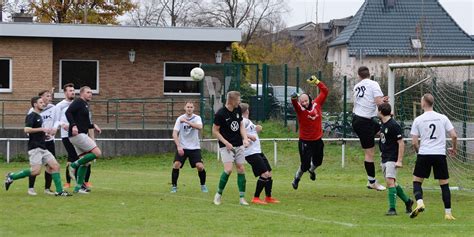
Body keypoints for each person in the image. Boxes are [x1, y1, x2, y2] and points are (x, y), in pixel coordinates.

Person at [4, 96, 71, 197]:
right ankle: (12, 176)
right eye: (41, 102)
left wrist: (45, 135)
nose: (43, 104)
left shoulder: (39, 116)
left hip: (43, 147)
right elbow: (26, 130)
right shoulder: (32, 115)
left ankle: (59, 191)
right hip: (35, 148)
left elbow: (37, 131)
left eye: (43, 103)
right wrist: (42, 129)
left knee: (55, 166)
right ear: (35, 104)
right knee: (36, 171)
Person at [409, 93, 457, 220]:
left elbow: (414, 142)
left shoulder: (418, 119)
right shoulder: (442, 118)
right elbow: (454, 135)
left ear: (424, 103)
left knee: (416, 181)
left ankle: (420, 203)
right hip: (439, 154)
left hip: (424, 153)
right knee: (444, 185)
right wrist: (454, 148)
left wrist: (418, 151)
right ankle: (448, 213)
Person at [351, 66, 388, 191]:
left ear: (359, 75)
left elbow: (366, 101)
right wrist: (386, 107)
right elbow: (378, 103)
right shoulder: (374, 84)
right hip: (364, 121)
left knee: (383, 133)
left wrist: (381, 100)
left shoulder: (356, 86)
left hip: (361, 119)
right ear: (369, 74)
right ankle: (371, 181)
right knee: (369, 153)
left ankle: (385, 156)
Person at [290, 75, 328, 190]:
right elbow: (294, 103)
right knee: (304, 165)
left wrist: (317, 82)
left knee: (318, 162)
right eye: (302, 102)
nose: (304, 103)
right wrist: (293, 98)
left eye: (306, 101)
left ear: (310, 99)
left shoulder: (317, 104)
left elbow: (325, 91)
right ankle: (296, 178)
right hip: (305, 141)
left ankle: (312, 170)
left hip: (317, 140)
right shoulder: (300, 110)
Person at [212, 91, 249, 206]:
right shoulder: (220, 114)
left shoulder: (238, 110)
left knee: (241, 169)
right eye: (238, 100)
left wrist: (245, 138)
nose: (239, 102)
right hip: (226, 146)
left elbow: (241, 125)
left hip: (238, 144)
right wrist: (226, 142)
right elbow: (215, 131)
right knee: (228, 170)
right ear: (232, 101)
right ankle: (218, 195)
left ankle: (242, 198)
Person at [377, 103, 414, 216]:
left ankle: (392, 209)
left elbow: (401, 143)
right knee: (392, 183)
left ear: (380, 112)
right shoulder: (383, 123)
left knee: (390, 182)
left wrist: (399, 160)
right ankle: (408, 201)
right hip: (384, 157)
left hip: (392, 158)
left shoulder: (394, 125)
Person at [240, 103, 280, 205]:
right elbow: (237, 132)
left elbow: (254, 129)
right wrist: (249, 136)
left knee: (269, 173)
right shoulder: (242, 120)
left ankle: (268, 197)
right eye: (248, 109)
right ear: (246, 111)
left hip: (257, 151)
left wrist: (257, 128)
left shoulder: (247, 121)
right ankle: (256, 197)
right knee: (265, 174)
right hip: (251, 153)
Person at [65, 86, 102, 194]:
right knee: (97, 153)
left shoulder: (85, 104)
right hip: (78, 135)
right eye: (88, 92)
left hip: (78, 135)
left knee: (85, 162)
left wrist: (93, 125)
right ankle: (73, 165)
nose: (90, 94)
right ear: (81, 94)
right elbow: (68, 112)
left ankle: (78, 188)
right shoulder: (78, 101)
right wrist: (73, 125)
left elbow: (84, 122)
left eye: (91, 92)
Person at [56, 83, 92, 190]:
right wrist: (63, 125)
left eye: (73, 90)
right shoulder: (60, 105)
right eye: (70, 90)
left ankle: (80, 183)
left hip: (79, 134)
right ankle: (73, 183)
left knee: (82, 158)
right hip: (67, 136)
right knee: (74, 158)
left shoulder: (79, 103)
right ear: (65, 92)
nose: (73, 92)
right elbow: (55, 121)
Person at [171, 101, 208, 193]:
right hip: (183, 147)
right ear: (185, 108)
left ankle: (203, 185)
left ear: (193, 108)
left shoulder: (197, 118)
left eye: (191, 107)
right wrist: (179, 146)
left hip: (194, 147)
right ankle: (174, 186)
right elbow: (174, 133)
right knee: (176, 165)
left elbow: (200, 127)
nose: (189, 109)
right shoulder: (180, 118)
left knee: (200, 166)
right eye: (188, 107)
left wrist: (187, 122)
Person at [27, 89, 59, 196]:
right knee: (36, 169)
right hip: (36, 143)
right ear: (40, 97)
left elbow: (57, 120)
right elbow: (28, 128)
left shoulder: (53, 108)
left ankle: (47, 188)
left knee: (52, 166)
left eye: (50, 96)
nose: (49, 98)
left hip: (48, 141)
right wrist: (40, 133)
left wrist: (54, 129)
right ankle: (31, 187)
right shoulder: (32, 112)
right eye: (47, 96)